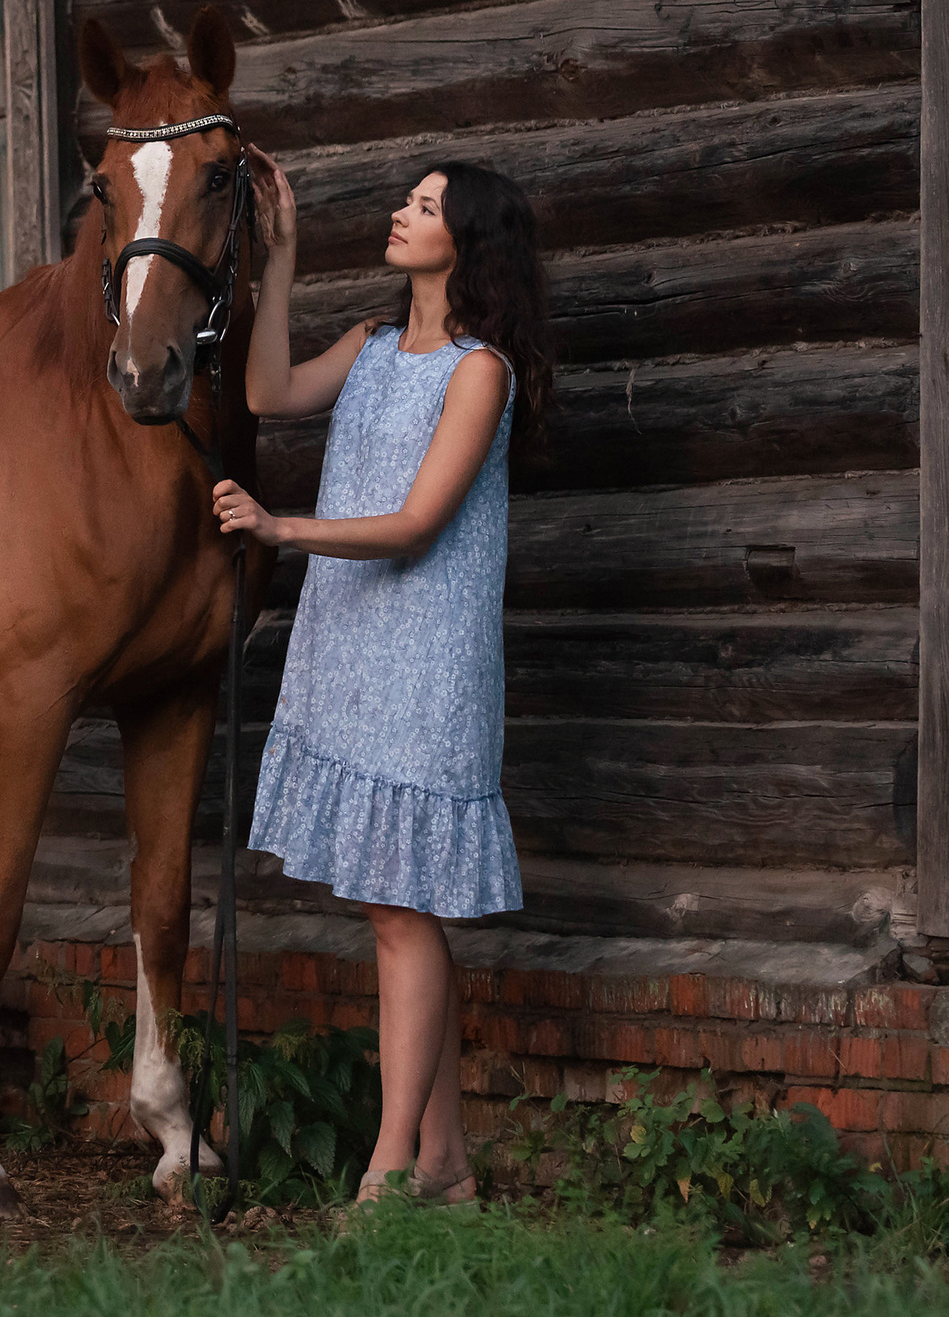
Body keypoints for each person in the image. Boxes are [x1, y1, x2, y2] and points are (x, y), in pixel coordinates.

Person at [210, 148, 556, 1206]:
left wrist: (278, 525)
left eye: (425, 205)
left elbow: (416, 522)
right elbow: (267, 390)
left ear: (471, 238)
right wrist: (283, 255)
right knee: (388, 906)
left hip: (428, 656)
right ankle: (444, 1160)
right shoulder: (367, 344)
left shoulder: (479, 369)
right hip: (348, 644)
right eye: (406, 201)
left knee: (403, 910)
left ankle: (389, 1164)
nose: (403, 215)